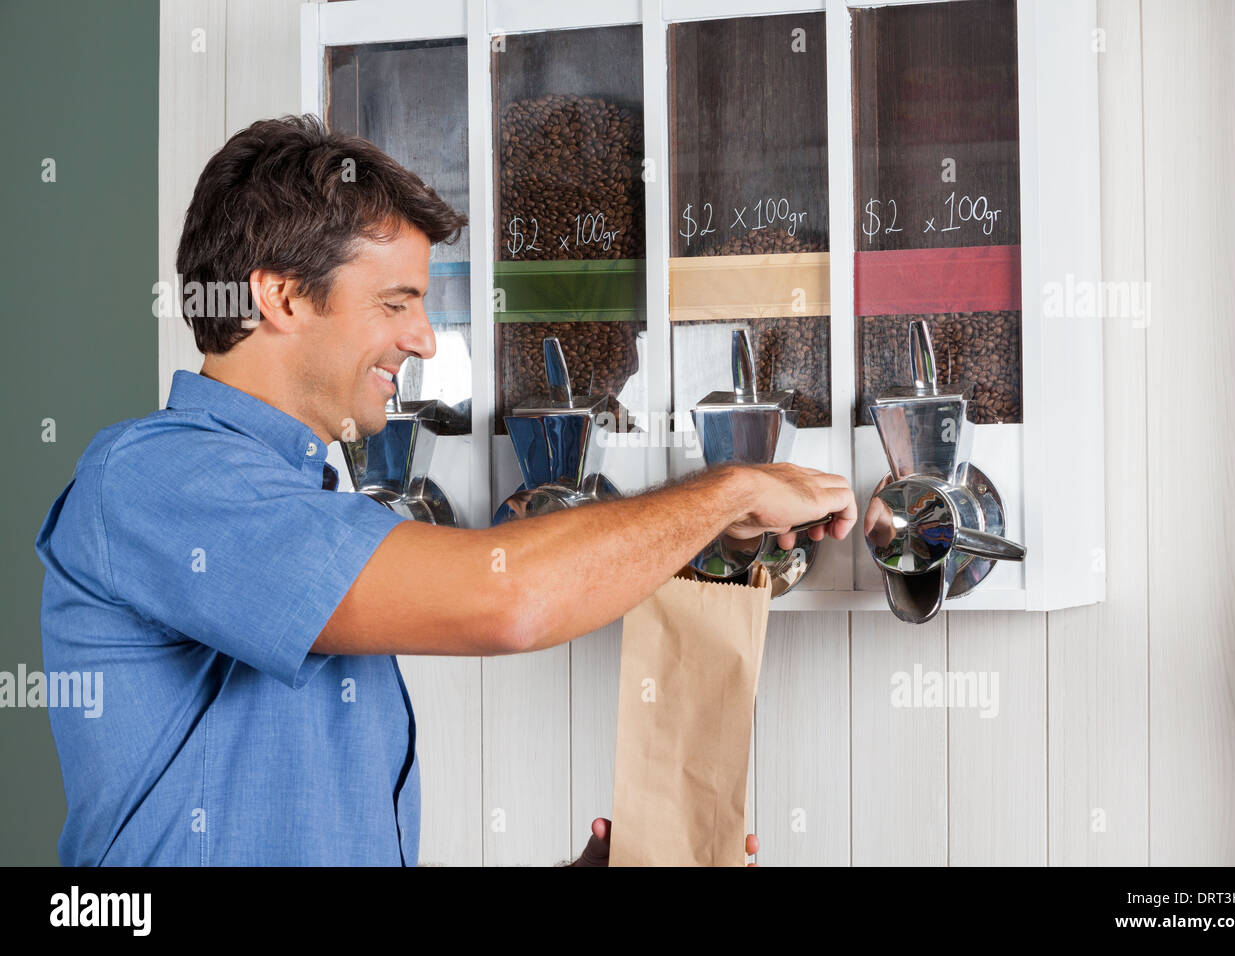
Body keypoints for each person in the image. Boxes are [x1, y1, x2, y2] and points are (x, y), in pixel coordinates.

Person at [35, 114, 881, 867]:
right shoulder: (156, 480)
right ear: (282, 296)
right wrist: (731, 490)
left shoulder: (314, 496)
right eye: (397, 303)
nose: (425, 339)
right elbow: (504, 598)